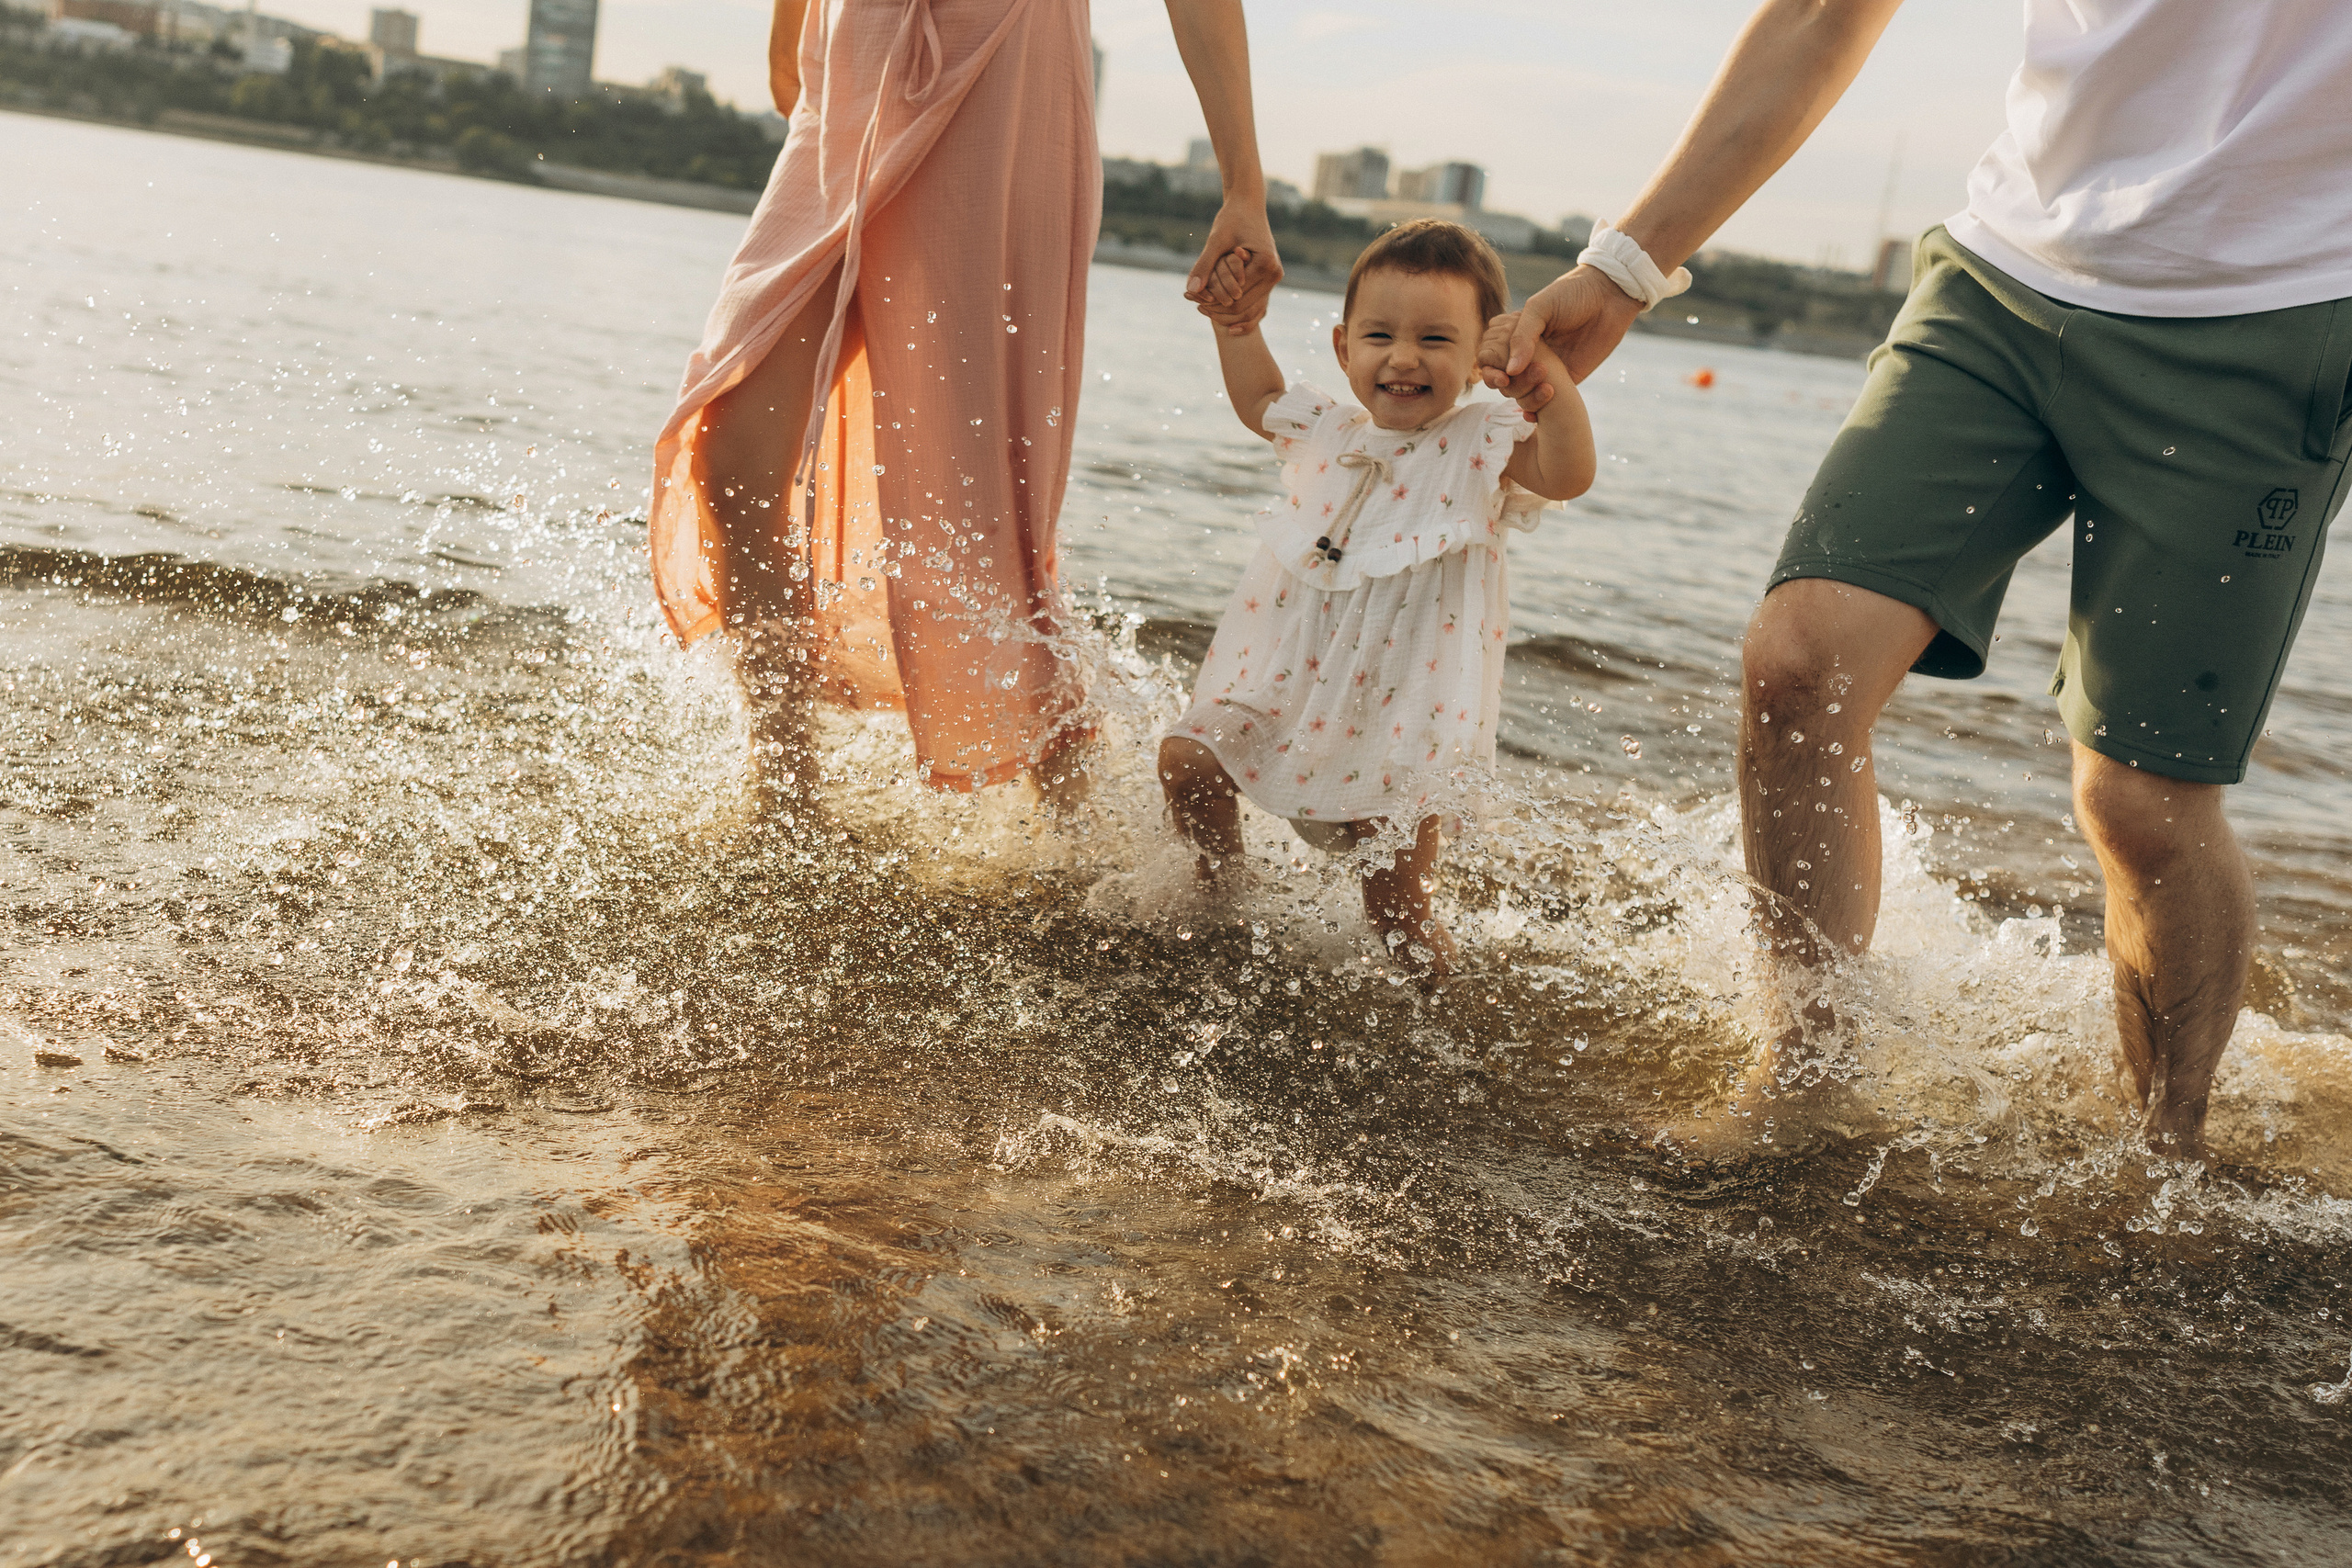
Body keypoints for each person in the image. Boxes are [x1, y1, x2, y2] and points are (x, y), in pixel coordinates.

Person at [1483, 0, 2352, 1162]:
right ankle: (1804, 1080)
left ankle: (2165, 1160)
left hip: (2270, 318)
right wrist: (1623, 270)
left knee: (2138, 803)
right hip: (2002, 281)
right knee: (1798, 664)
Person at [650, 0, 1285, 816]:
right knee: (731, 444)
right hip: (852, 73)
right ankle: (785, 795)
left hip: (1005, 76)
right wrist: (795, 31)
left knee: (986, 501)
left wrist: (1244, 187)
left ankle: (1078, 827)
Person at [1161, 221, 1596, 975]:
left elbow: (1567, 474)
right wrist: (1237, 325)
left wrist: (1546, 387)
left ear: (1474, 362)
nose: (1402, 357)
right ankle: (1222, 899)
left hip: (1403, 720)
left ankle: (1444, 1013)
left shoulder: (1481, 441)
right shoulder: (1330, 430)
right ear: (1342, 348)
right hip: (1284, 686)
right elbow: (1259, 395)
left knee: (1393, 899)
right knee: (1187, 759)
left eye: (1434, 339)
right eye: (1379, 335)